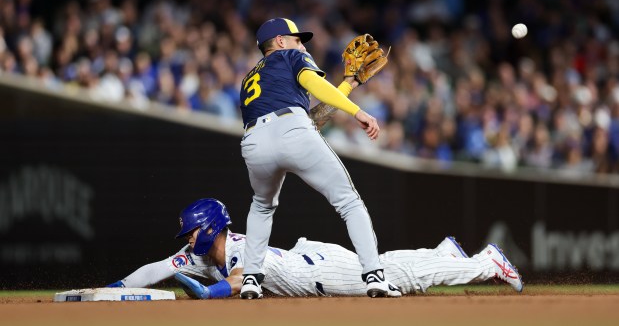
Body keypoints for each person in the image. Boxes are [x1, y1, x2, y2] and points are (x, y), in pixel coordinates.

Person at [238, 18, 390, 299]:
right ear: (281, 42)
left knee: (261, 206)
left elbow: (311, 118)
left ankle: (250, 279)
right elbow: (310, 95)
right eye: (297, 39)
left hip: (254, 141)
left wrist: (349, 83)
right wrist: (357, 111)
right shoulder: (291, 56)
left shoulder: (250, 78)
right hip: (293, 130)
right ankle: (374, 276)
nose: (302, 44)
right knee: (348, 201)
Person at [106, 198, 524, 298]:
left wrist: (208, 293)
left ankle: (485, 262)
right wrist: (114, 288)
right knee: (388, 267)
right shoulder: (202, 254)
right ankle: (446, 254)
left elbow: (238, 280)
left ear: (210, 228)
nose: (187, 242)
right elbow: (156, 268)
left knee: (403, 280)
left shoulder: (237, 250)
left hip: (316, 273)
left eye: (191, 234)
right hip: (310, 259)